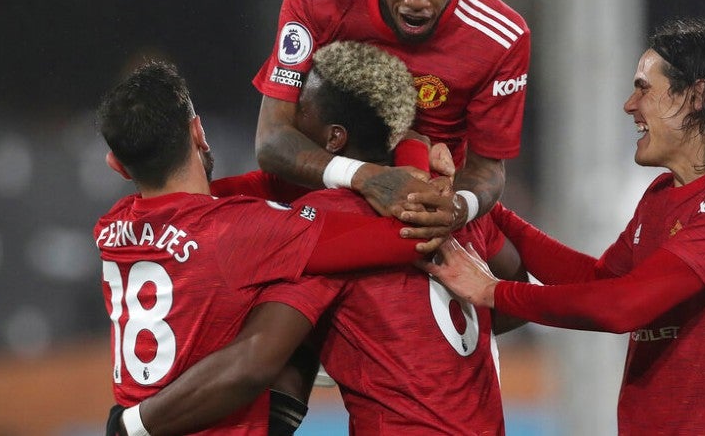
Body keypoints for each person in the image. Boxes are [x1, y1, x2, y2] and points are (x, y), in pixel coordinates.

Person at [109, 41, 526, 435]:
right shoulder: (454, 204)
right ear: (198, 132)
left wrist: (132, 424)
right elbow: (515, 293)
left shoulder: (114, 226)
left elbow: (257, 358)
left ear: (333, 139)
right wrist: (415, 150)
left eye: (297, 113)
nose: (285, 124)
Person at [420, 18, 705, 434]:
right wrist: (487, 208)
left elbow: (622, 306)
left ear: (696, 96)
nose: (629, 104)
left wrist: (492, 290)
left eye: (643, 88)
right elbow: (599, 280)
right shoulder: (661, 195)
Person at [251, 0, 530, 232]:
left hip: (430, 210)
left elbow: (487, 170)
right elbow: (272, 140)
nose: (417, 0)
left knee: (535, 273)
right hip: (316, 190)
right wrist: (368, 179)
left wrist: (457, 208)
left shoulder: (501, 38)